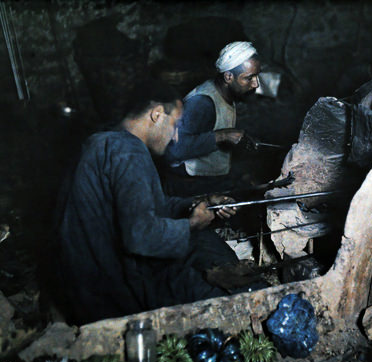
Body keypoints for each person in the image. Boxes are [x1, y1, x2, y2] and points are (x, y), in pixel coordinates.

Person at [54, 82, 240, 325]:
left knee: (202, 249)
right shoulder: (128, 153)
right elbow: (140, 236)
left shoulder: (106, 140)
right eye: (175, 125)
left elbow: (150, 205)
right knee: (217, 291)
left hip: (84, 278)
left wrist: (200, 202)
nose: (175, 137)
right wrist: (192, 224)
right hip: (105, 288)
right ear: (157, 114)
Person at [163, 41, 261, 197]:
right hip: (187, 186)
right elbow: (173, 151)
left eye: (257, 75)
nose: (256, 84)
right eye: (249, 78)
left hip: (207, 179)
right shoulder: (202, 103)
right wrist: (223, 136)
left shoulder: (226, 94)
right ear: (229, 76)